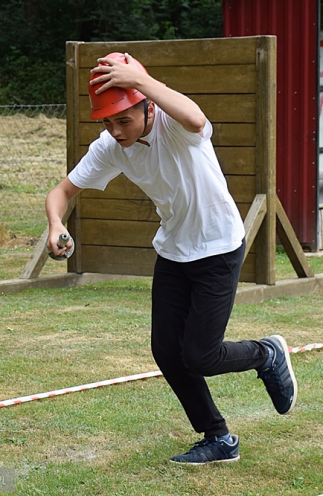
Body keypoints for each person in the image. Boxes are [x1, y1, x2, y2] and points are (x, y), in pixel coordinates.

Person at [44, 52, 297, 465]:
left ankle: (266, 354)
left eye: (123, 120)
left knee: (201, 355)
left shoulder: (176, 128)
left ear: (148, 106)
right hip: (174, 252)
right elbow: (61, 193)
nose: (115, 130)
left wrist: (139, 80)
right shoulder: (111, 146)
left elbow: (196, 118)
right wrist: (56, 224)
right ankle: (217, 437)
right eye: (107, 122)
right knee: (166, 350)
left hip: (218, 247)